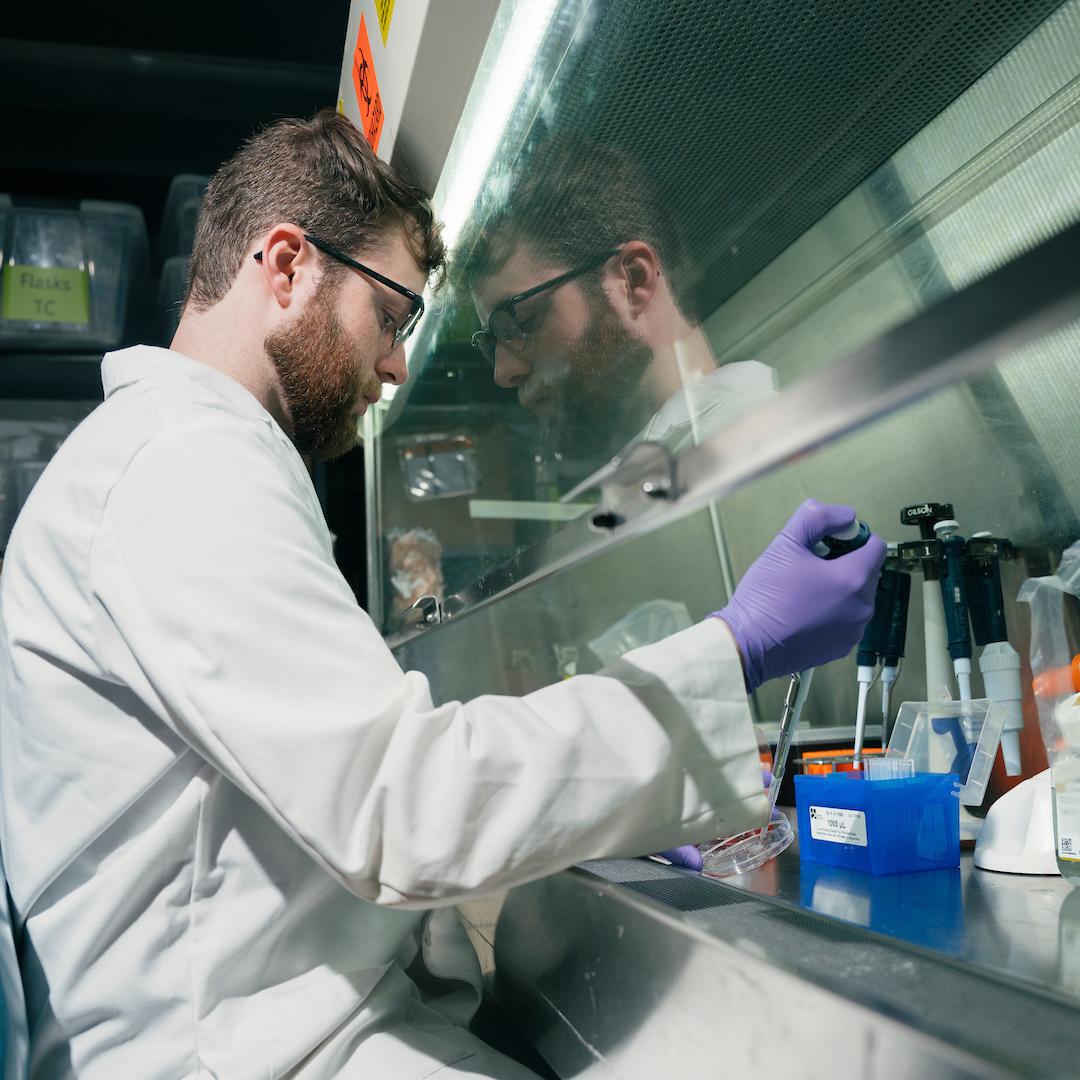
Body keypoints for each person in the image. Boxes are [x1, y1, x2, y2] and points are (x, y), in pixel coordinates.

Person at [0, 110, 884, 1079]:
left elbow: (343, 783)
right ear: (287, 265)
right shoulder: (181, 462)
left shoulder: (184, 457)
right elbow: (402, 803)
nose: (396, 365)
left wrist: (635, 797)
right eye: (392, 315)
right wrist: (735, 649)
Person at [460, 137, 779, 471]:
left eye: (523, 321)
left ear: (634, 280)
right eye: (493, 342)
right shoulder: (665, 467)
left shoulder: (755, 446)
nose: (503, 373)